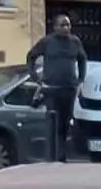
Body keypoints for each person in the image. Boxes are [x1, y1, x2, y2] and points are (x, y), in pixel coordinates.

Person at [24, 14, 87, 161]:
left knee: (65, 122)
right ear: (55, 27)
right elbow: (31, 56)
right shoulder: (47, 42)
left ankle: (62, 155)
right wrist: (34, 76)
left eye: (68, 25)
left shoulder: (75, 42)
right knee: (54, 121)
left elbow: (82, 59)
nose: (66, 28)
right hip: (51, 88)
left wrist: (81, 78)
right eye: (63, 25)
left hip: (69, 89)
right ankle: (52, 155)